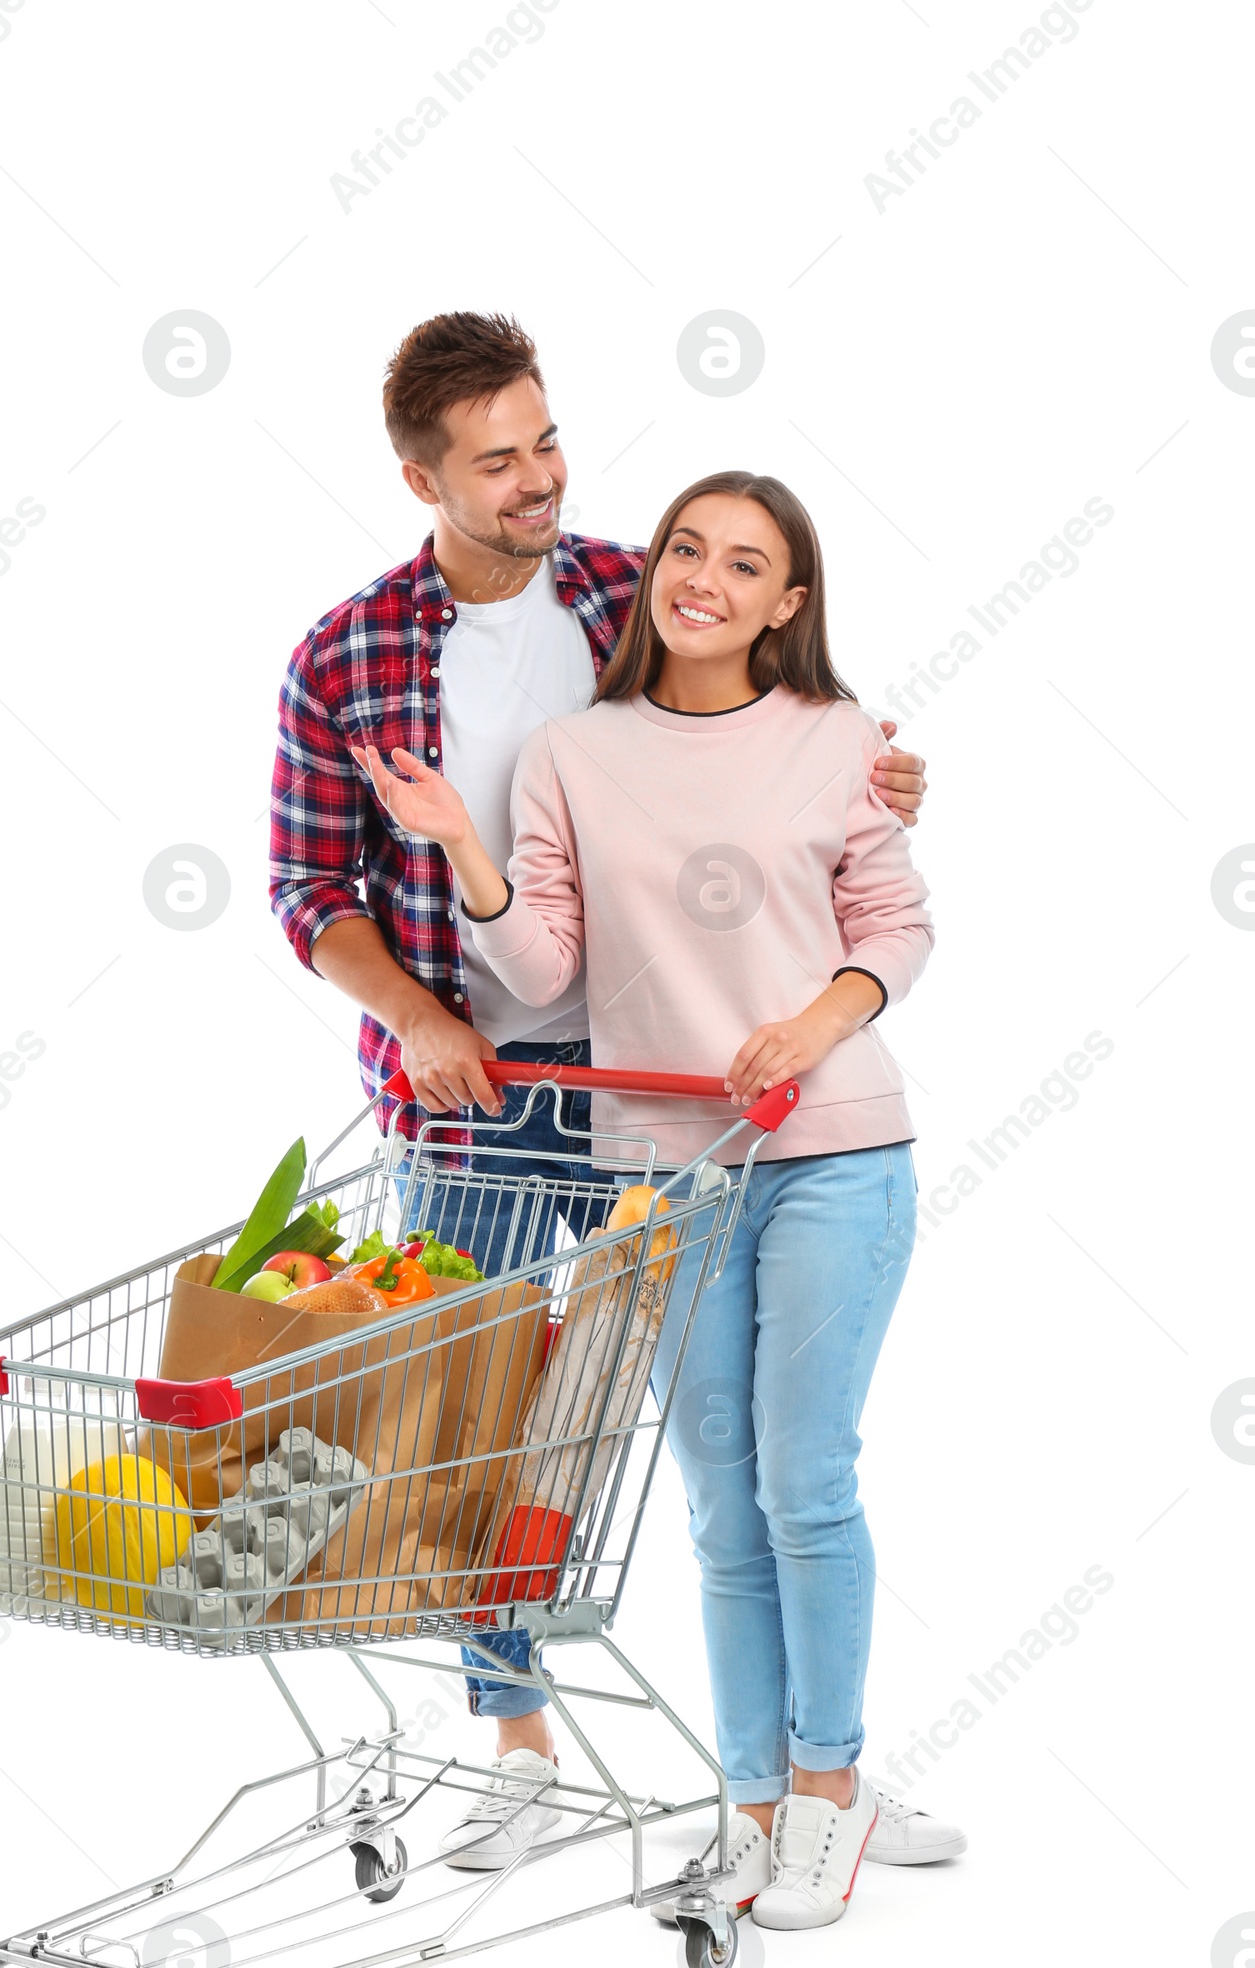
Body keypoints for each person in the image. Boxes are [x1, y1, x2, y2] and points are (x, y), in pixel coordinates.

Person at [269, 312, 935, 1872]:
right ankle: (514, 1741)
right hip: (474, 1093)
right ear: (420, 474)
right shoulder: (347, 653)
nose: (537, 481)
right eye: (495, 462)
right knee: (478, 1429)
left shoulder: (627, 588)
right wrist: (420, 1013)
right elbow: (309, 887)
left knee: (732, 1456)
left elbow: (779, 740)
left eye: (546, 441)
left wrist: (891, 783)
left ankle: (800, 1776)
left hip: (672, 1091)